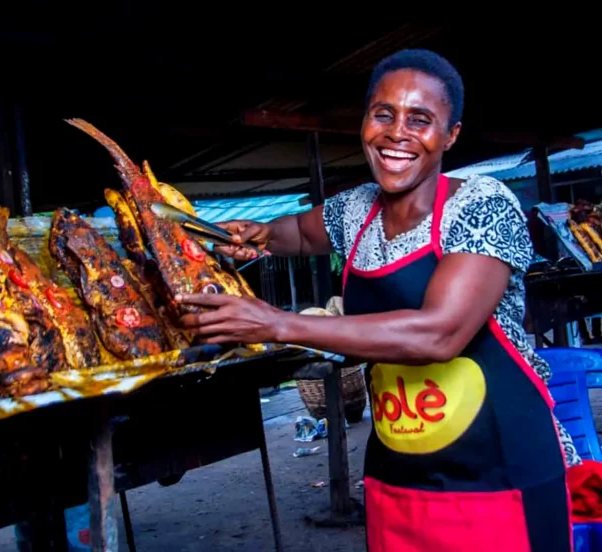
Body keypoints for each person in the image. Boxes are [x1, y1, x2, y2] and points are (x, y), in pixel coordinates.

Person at [177, 49, 577, 551]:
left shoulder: (481, 204)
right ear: (365, 120)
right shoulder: (354, 209)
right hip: (398, 473)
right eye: (382, 114)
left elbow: (440, 333)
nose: (396, 133)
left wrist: (277, 323)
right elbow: (299, 234)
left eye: (421, 119)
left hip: (500, 472)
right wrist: (257, 234)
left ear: (450, 135)